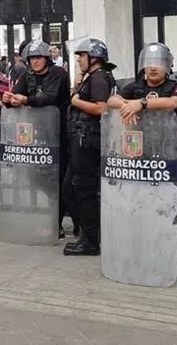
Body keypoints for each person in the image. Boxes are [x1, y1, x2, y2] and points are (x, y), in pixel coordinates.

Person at [108, 42, 177, 280]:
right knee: (140, 206)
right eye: (149, 63)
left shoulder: (176, 86)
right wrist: (126, 104)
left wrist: (139, 104)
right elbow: (111, 101)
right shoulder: (134, 87)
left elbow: (173, 103)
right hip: (143, 158)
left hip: (172, 158)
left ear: (167, 65)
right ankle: (144, 254)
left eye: (159, 63)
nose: (153, 68)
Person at [3, 39, 74, 238]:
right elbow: (17, 93)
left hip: (60, 134)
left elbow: (49, 97)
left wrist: (25, 100)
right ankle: (51, 219)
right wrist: (9, 100)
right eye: (32, 58)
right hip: (39, 135)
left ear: (47, 58)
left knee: (61, 180)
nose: (34, 62)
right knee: (42, 180)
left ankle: (60, 223)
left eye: (38, 58)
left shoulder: (58, 73)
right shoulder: (28, 75)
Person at [63, 37, 114, 256]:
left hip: (87, 140)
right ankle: (88, 233)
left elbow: (101, 108)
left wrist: (75, 100)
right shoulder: (91, 77)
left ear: (93, 57)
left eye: (81, 56)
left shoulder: (100, 78)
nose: (78, 60)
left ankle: (91, 240)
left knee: (84, 190)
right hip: (81, 140)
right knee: (71, 189)